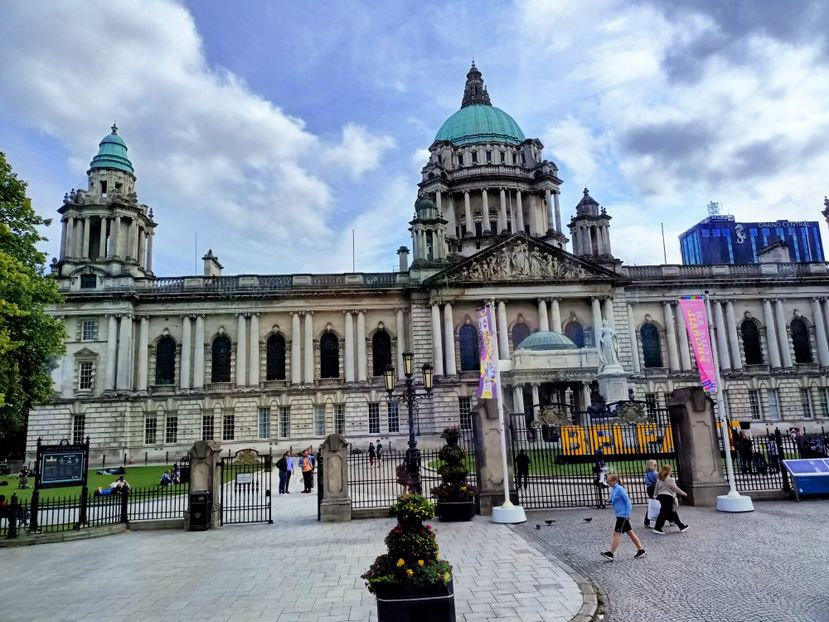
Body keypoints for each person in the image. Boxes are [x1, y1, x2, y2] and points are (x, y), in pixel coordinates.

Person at [601, 473, 646, 561]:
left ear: (614, 481)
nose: (607, 482)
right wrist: (609, 500)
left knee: (616, 533)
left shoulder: (620, 489)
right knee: (630, 532)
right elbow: (615, 499)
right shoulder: (613, 489)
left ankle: (611, 553)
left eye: (609, 481)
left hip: (623, 515)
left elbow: (628, 501)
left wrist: (628, 514)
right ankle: (641, 550)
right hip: (620, 514)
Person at [652, 465, 689, 534]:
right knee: (670, 512)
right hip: (668, 497)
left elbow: (656, 488)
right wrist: (684, 493)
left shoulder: (659, 479)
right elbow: (675, 488)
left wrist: (654, 495)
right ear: (669, 471)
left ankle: (680, 526)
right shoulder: (670, 479)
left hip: (660, 497)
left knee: (665, 512)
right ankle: (680, 526)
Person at [643, 459, 658, 528]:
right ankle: (647, 521)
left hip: (649, 488)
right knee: (659, 504)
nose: (656, 466)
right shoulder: (655, 473)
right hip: (654, 489)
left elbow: (646, 482)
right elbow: (659, 482)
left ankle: (647, 522)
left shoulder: (646, 473)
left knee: (652, 504)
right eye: (655, 465)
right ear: (652, 465)